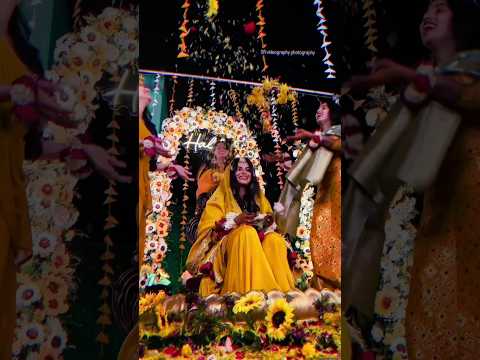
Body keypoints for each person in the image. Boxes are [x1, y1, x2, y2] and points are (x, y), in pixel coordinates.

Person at [342, 0, 480, 357]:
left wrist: (407, 77)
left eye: (440, 8)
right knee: (431, 308)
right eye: (425, 10)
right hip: (440, 208)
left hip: (473, 204)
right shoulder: (429, 77)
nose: (427, 16)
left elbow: (467, 96)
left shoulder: (470, 66)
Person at [0, 2, 131, 358]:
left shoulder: (21, 48)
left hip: (9, 203)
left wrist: (83, 150)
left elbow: (28, 146)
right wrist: (11, 93)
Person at [186, 157, 295, 296]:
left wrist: (268, 222)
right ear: (230, 174)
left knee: (274, 240)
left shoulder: (259, 198)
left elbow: (271, 222)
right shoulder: (218, 199)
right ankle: (248, 294)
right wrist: (236, 221)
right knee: (246, 232)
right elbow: (208, 233)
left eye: (248, 169)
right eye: (239, 169)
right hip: (226, 249)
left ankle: (281, 295)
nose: (244, 172)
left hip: (257, 241)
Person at [286, 101, 342, 290]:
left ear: (333, 112)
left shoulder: (339, 131)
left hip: (338, 189)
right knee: (319, 235)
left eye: (324, 108)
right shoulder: (320, 136)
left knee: (334, 234)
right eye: (318, 108)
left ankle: (336, 285)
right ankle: (324, 286)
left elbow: (337, 144)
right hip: (324, 192)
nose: (318, 111)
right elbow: (305, 166)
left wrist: (312, 136)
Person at [185, 139, 232, 244]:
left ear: (229, 152)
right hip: (208, 212)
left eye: (224, 148)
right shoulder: (207, 170)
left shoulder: (232, 169)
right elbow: (202, 194)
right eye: (218, 147)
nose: (221, 150)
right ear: (213, 151)